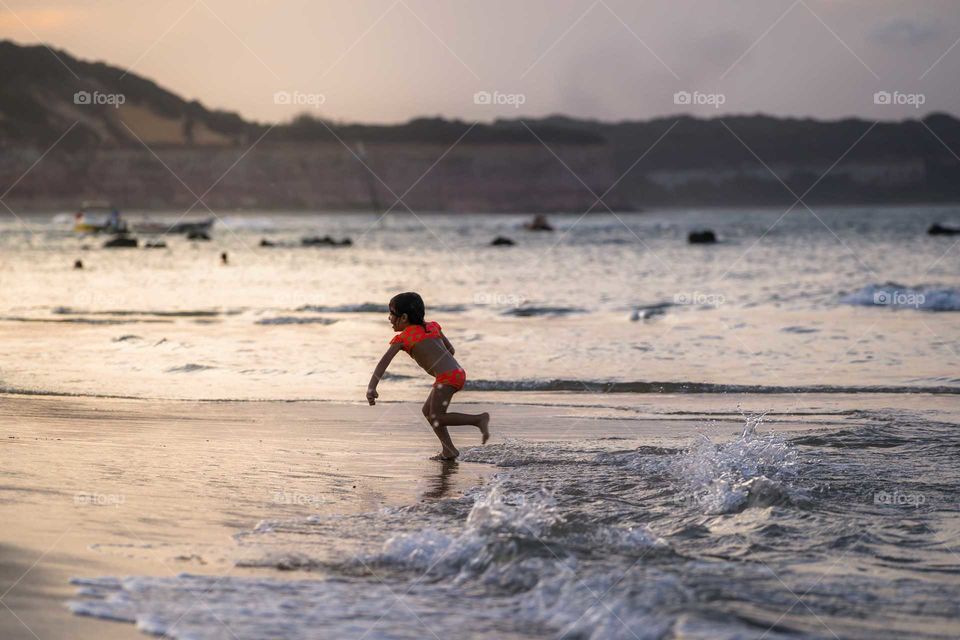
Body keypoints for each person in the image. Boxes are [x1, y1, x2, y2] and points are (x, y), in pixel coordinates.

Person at [367, 292, 489, 460]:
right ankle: (449, 450)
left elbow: (383, 363)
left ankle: (478, 420)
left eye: (391, 314)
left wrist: (372, 387)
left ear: (403, 317)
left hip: (447, 377)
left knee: (437, 416)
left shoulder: (402, 338)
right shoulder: (432, 326)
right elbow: (451, 351)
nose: (389, 318)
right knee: (427, 411)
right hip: (456, 373)